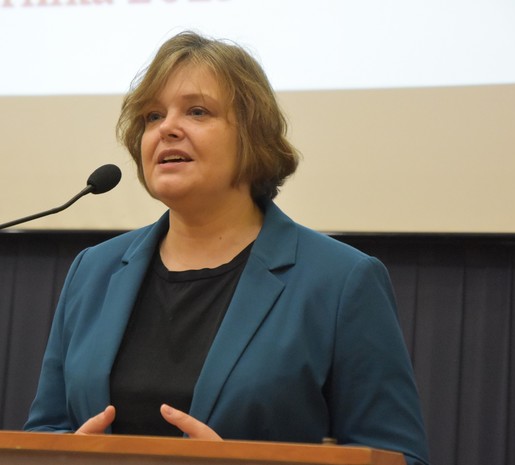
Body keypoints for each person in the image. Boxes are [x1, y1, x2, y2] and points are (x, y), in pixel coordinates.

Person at [25, 31, 430, 465]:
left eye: (197, 111)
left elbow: (399, 456)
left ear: (252, 135)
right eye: (152, 116)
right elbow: (45, 429)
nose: (167, 128)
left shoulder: (339, 281)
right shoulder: (94, 270)